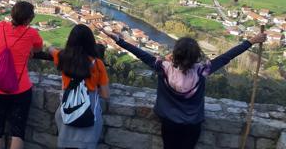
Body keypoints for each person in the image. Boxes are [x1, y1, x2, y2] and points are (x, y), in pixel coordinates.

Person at [101, 29, 267, 149]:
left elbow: (138, 52)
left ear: (175, 54)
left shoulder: (163, 67)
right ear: (196, 55)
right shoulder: (202, 70)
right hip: (192, 123)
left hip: (168, 121)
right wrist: (251, 41)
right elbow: (227, 56)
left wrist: (118, 39)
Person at [0, 1, 43, 149]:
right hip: (20, 89)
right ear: (27, 20)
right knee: (17, 133)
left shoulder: (0, 27)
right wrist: (29, 49)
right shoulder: (32, 33)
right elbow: (38, 48)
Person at [49, 24, 110, 149]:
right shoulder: (97, 64)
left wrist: (50, 47)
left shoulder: (62, 57)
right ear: (90, 42)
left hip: (68, 111)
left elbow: (50, 49)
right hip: (89, 114)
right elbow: (105, 94)